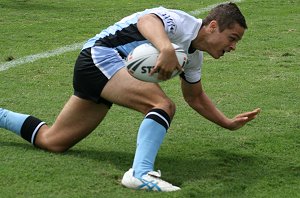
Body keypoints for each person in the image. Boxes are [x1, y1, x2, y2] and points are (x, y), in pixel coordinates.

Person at [0, 2, 260, 192]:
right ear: (213, 26)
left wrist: (227, 123)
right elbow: (147, 20)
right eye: (232, 38)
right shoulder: (181, 23)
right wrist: (165, 47)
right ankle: (140, 173)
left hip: (103, 69)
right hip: (99, 56)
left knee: (53, 141)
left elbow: (195, 97)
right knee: (162, 105)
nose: (233, 47)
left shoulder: (194, 57)